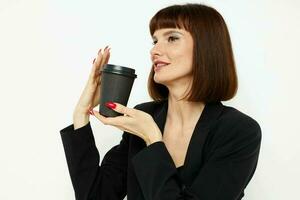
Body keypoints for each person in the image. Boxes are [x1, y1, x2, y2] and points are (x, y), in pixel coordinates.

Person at [60, 3, 262, 200]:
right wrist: (81, 114)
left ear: (206, 47)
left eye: (172, 38)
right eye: (155, 41)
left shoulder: (239, 131)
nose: (154, 50)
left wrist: (153, 140)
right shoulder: (145, 117)